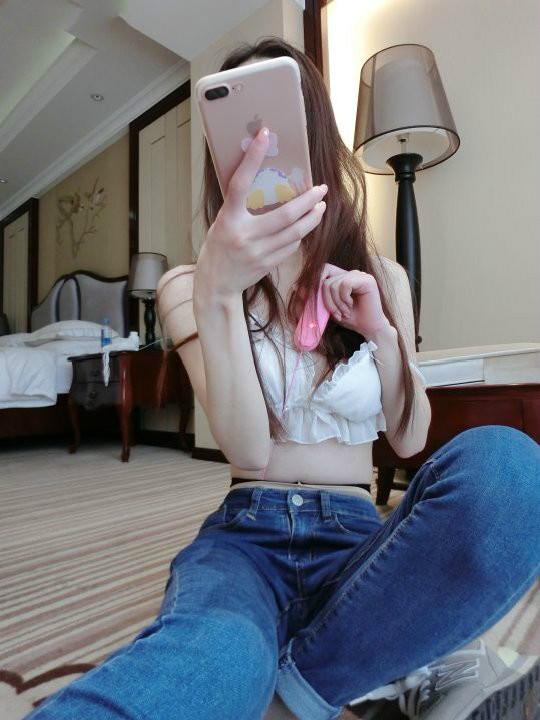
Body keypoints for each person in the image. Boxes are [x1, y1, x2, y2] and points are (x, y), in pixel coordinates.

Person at [26, 37, 540, 720]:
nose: (259, 141)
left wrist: (383, 335)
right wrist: (217, 293)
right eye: (236, 124)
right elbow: (247, 451)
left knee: (513, 471)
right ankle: (344, 670)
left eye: (277, 114)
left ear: (314, 129)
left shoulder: (385, 276)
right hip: (247, 536)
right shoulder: (192, 284)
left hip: (358, 537)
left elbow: (410, 439)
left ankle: (294, 683)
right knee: (221, 655)